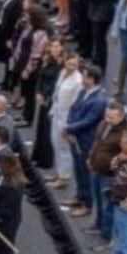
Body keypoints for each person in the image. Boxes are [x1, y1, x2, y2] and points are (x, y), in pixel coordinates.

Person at [81, 102, 127, 252]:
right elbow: (97, 143)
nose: (108, 119)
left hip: (110, 175)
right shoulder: (103, 125)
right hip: (96, 169)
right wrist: (90, 158)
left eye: (112, 117)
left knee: (107, 206)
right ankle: (98, 224)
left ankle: (106, 235)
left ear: (121, 117)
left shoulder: (124, 134)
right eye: (107, 115)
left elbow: (125, 155)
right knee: (98, 200)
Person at [63, 64, 108, 217]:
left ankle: (87, 204)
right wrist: (69, 126)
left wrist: (70, 128)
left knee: (85, 172)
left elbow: (89, 120)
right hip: (75, 136)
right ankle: (79, 195)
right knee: (78, 169)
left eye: (85, 76)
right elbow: (73, 108)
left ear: (92, 79)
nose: (82, 79)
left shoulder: (100, 100)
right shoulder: (83, 92)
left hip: (87, 140)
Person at [48, 53, 82, 189]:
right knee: (55, 142)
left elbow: (75, 103)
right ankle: (58, 172)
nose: (71, 67)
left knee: (63, 147)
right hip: (57, 111)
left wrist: (69, 124)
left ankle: (64, 177)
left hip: (66, 116)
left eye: (74, 65)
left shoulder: (78, 81)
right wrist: (52, 110)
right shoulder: (62, 73)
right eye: (69, 64)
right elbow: (56, 94)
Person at [30, 38, 64, 170]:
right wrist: (38, 92)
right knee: (40, 127)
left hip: (51, 99)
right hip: (43, 97)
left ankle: (47, 160)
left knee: (47, 130)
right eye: (52, 46)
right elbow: (40, 78)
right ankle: (38, 157)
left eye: (57, 46)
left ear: (61, 48)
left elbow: (56, 83)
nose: (54, 49)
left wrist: (45, 95)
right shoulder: (46, 61)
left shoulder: (61, 65)